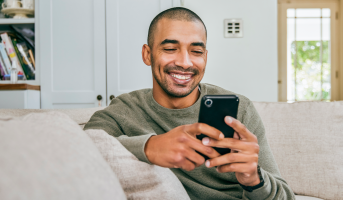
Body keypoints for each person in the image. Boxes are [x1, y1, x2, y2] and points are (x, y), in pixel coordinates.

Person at [84, 7, 295, 200]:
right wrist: (150, 147)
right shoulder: (124, 111)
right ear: (147, 55)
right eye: (170, 48)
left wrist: (254, 179)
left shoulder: (241, 110)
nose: (185, 63)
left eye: (196, 52)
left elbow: (286, 197)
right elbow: (80, 149)